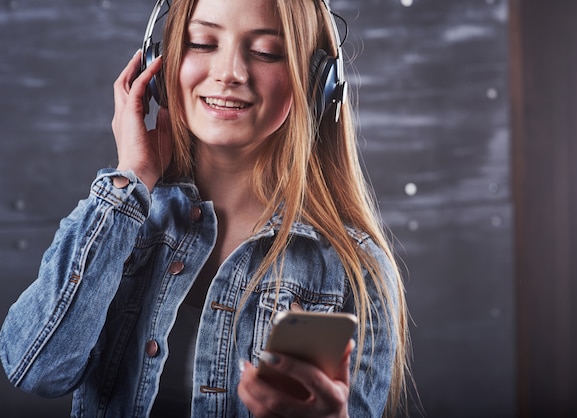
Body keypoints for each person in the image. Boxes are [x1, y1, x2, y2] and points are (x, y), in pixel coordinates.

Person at [0, 0, 410, 416]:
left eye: (267, 51)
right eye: (201, 43)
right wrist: (131, 178)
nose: (230, 72)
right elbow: (36, 369)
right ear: (159, 64)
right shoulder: (119, 223)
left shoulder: (354, 270)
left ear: (316, 81)